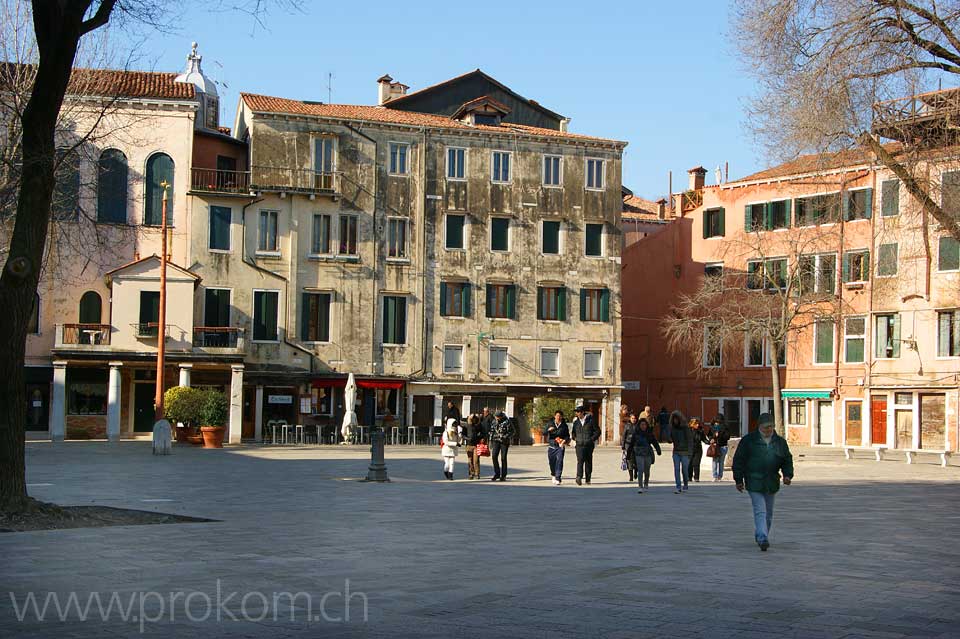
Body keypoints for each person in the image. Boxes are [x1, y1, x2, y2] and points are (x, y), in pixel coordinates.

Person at [733, 413, 794, 551]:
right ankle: (762, 537)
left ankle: (761, 532)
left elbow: (787, 460)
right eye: (766, 427)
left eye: (771, 427)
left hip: (771, 481)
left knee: (769, 512)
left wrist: (787, 475)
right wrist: (738, 479)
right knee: (760, 510)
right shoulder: (748, 441)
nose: (769, 430)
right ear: (759, 427)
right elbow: (739, 460)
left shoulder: (780, 442)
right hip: (754, 480)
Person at [626, 417, 661, 493]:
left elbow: (654, 442)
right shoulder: (636, 434)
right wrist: (628, 455)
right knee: (640, 470)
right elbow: (631, 444)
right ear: (639, 425)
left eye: (644, 424)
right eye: (642, 424)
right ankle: (640, 486)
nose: (643, 426)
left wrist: (658, 450)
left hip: (647, 453)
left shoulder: (649, 433)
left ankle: (646, 483)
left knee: (647, 471)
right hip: (638, 454)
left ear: (646, 425)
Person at [572, 405, 600, 486]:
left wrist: (591, 439)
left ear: (582, 412)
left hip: (589, 445)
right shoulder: (576, 422)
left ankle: (588, 479)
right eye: (576, 412)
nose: (577, 414)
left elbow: (598, 431)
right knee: (580, 461)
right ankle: (579, 477)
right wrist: (575, 438)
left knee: (588, 462)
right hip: (579, 444)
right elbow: (573, 432)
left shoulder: (591, 421)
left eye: (578, 412)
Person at [543, 411, 571, 485]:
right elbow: (544, 433)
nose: (558, 417)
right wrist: (548, 430)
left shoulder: (564, 426)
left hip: (560, 446)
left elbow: (567, 436)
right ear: (554, 416)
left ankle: (558, 477)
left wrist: (564, 440)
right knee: (552, 462)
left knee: (560, 461)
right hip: (552, 445)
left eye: (560, 416)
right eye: (557, 416)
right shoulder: (550, 424)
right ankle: (553, 474)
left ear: (562, 417)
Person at [669, 410, 692, 493]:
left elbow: (690, 440)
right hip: (676, 452)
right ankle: (678, 486)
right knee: (676, 469)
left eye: (676, 419)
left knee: (685, 470)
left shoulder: (685, 428)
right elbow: (670, 438)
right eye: (674, 419)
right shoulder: (672, 428)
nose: (675, 421)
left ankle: (685, 484)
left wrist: (690, 452)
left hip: (685, 452)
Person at [488, 410, 515, 481]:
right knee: (494, 456)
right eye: (495, 417)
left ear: (501, 416)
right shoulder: (494, 421)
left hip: (504, 442)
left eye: (497, 417)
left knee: (503, 458)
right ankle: (497, 473)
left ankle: (503, 475)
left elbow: (513, 431)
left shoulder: (507, 421)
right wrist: (490, 441)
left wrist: (505, 436)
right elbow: (491, 431)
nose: (496, 418)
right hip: (496, 441)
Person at [462, 413, 486, 480]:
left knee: (476, 460)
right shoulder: (466, 426)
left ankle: (477, 474)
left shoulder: (479, 425)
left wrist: (481, 438)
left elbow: (483, 433)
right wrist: (467, 438)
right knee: (470, 460)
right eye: (473, 419)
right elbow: (463, 435)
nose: (474, 421)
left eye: (475, 419)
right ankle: (471, 473)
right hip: (469, 445)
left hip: (476, 445)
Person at [709, 415, 731, 481]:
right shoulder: (712, 427)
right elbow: (709, 435)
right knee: (714, 461)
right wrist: (713, 437)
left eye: (718, 422)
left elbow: (727, 437)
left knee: (721, 462)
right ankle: (715, 476)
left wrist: (720, 435)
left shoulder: (725, 427)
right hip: (715, 446)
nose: (717, 423)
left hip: (723, 446)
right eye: (716, 422)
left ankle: (720, 476)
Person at [688, 418, 709, 482]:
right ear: (691, 424)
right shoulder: (688, 431)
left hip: (698, 450)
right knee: (689, 464)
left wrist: (709, 442)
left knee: (696, 463)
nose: (697, 425)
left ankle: (696, 477)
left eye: (698, 424)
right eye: (695, 424)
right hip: (689, 449)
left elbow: (704, 439)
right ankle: (689, 477)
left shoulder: (700, 431)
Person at [621, 413, 639, 482]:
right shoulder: (627, 426)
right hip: (628, 446)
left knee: (637, 461)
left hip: (636, 446)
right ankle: (631, 476)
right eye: (632, 418)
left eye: (634, 418)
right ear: (630, 419)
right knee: (629, 461)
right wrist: (623, 445)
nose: (633, 420)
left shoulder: (638, 426)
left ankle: (636, 472)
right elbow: (624, 436)